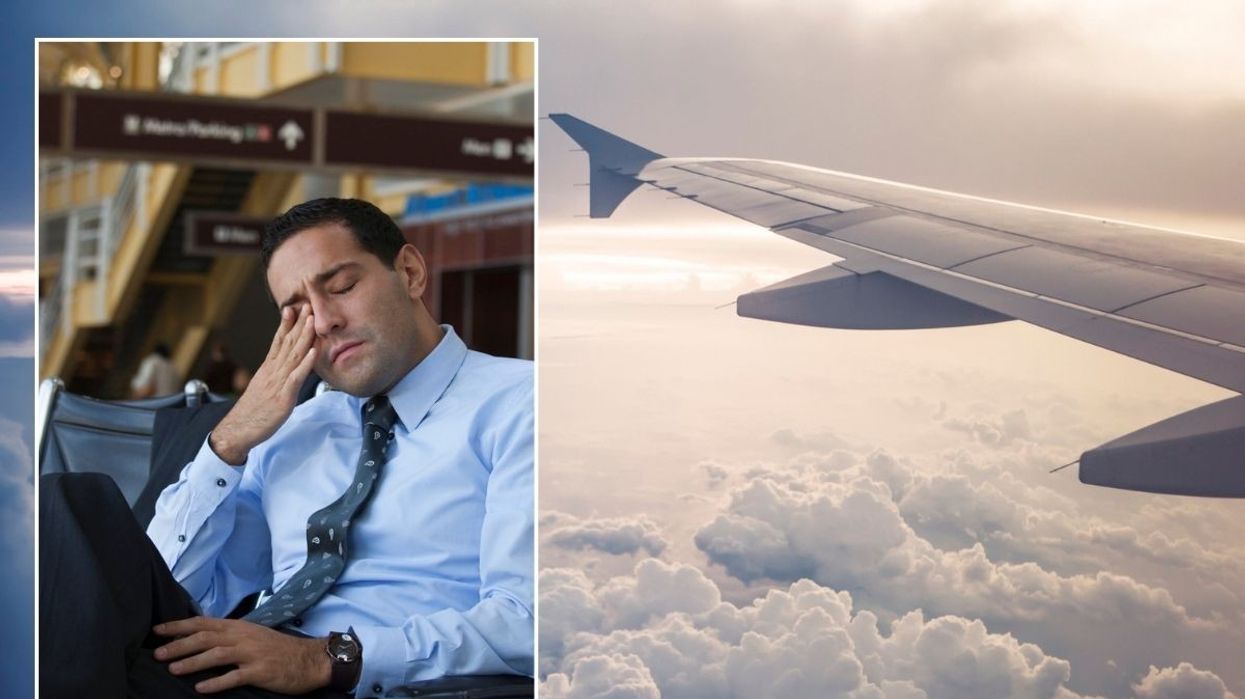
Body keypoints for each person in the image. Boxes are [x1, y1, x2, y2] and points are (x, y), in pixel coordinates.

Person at [40, 198, 533, 698]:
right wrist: (230, 441)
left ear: (409, 272)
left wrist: (325, 658)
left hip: (372, 682)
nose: (321, 322)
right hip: (235, 674)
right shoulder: (296, 426)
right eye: (294, 313)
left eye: (342, 287)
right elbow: (159, 593)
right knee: (65, 505)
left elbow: (531, 620)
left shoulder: (521, 404)